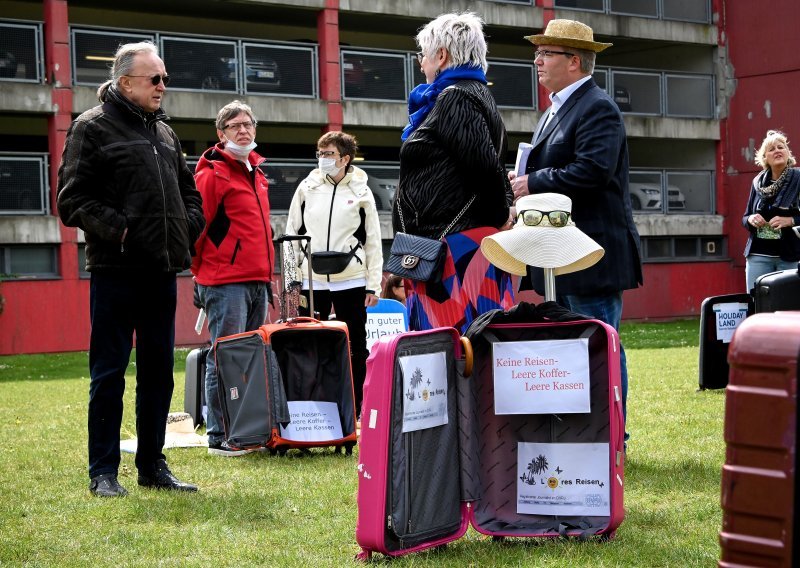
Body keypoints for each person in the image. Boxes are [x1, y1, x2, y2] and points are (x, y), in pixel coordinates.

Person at [57, 41, 204, 496]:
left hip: (161, 273)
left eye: (163, 77)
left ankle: (151, 466)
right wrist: (124, 232)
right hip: (115, 273)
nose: (164, 85)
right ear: (125, 83)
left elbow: (190, 194)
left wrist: (187, 228)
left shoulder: (166, 134)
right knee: (109, 372)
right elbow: (72, 200)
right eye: (154, 78)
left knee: (159, 373)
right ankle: (102, 472)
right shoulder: (92, 127)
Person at [510, 19, 643, 434]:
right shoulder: (556, 109)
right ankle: (585, 428)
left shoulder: (597, 106)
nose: (537, 60)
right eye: (537, 53)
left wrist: (532, 183)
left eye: (545, 53)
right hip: (560, 254)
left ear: (574, 60)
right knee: (573, 344)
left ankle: (611, 432)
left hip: (590, 252)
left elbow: (593, 170)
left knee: (598, 343)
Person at [393, 11, 515, 333]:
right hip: (446, 248)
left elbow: (484, 167)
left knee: (455, 351)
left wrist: (500, 214)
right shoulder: (468, 93)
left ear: (442, 55)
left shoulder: (457, 96)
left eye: (424, 55)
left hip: (456, 253)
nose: (421, 64)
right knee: (457, 350)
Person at [192, 101, 275, 457]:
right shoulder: (212, 173)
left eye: (247, 124)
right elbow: (196, 227)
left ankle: (245, 430)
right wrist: (201, 276)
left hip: (257, 278)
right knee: (224, 357)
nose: (243, 130)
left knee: (248, 358)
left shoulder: (256, 172)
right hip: (225, 281)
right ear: (220, 133)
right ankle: (219, 436)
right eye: (234, 125)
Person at [284, 131, 383, 416]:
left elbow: (373, 240)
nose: (323, 159)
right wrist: (292, 279)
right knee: (309, 344)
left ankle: (356, 407)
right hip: (310, 280)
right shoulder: (307, 186)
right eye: (320, 153)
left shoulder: (362, 191)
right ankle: (312, 408)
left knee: (355, 345)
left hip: (352, 279)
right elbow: (292, 233)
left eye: (329, 154)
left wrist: (372, 286)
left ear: (345, 159)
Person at [742, 129, 800, 292]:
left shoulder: (798, 179)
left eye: (781, 147)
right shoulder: (757, 183)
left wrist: (790, 221)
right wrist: (751, 219)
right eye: (772, 149)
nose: (777, 151)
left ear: (788, 153)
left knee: (790, 307)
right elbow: (745, 218)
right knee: (757, 306)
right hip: (758, 256)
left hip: (790, 256)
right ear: (765, 157)